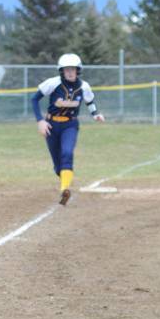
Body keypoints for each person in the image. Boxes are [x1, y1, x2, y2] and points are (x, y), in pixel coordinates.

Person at [31, 53, 105, 205]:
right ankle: (63, 181)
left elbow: (90, 101)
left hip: (70, 125)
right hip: (51, 125)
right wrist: (40, 121)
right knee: (58, 165)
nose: (70, 72)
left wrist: (95, 114)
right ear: (62, 71)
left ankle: (65, 189)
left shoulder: (84, 86)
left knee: (67, 153)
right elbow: (34, 99)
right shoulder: (53, 83)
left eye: (73, 69)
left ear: (78, 70)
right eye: (66, 69)